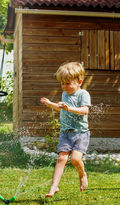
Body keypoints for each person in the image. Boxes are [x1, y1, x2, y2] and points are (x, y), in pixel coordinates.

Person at [40, 62, 91, 197]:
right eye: (62, 83)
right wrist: (50, 104)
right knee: (61, 158)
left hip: (80, 133)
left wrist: (69, 108)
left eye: (68, 83)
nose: (64, 86)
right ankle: (53, 187)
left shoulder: (83, 94)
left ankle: (82, 174)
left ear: (79, 82)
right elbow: (61, 108)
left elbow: (85, 111)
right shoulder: (65, 94)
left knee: (75, 159)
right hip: (65, 133)